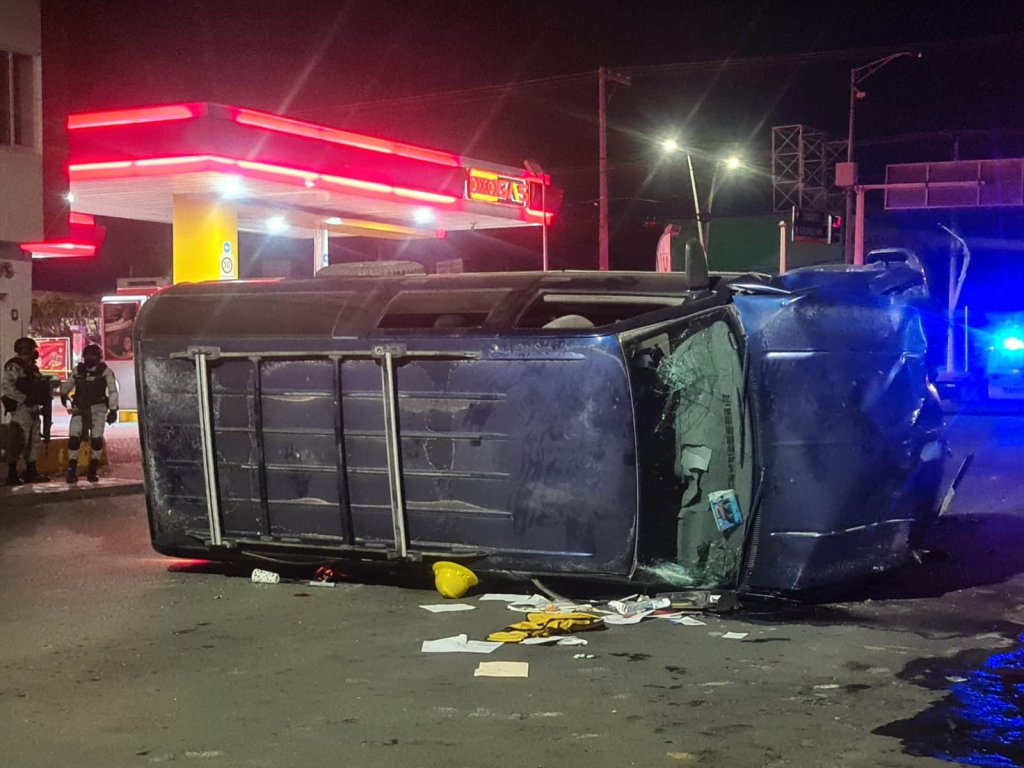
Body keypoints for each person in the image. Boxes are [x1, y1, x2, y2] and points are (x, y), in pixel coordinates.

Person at [60, 344, 119, 483]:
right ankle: (71, 470)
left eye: (93, 356)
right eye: (87, 355)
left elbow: (112, 391)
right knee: (74, 438)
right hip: (80, 408)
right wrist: (63, 393)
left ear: (99, 357)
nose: (89, 358)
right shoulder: (78, 371)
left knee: (96, 439)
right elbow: (68, 384)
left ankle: (92, 470)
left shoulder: (105, 371)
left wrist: (113, 410)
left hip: (98, 409)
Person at [1, 337, 52, 485]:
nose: (34, 353)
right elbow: (7, 387)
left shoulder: (32, 367)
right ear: (25, 350)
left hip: (34, 408)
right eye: (32, 350)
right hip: (21, 409)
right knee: (18, 441)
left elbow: (38, 384)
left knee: (34, 441)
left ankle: (31, 472)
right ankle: (12, 474)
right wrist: (24, 398)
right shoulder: (15, 366)